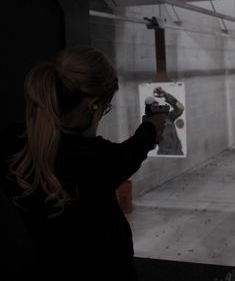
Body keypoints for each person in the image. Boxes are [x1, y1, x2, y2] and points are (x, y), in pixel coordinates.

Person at [0, 46, 166, 281]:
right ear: (93, 105)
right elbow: (131, 151)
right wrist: (152, 126)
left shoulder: (11, 144)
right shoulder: (93, 159)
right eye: (104, 107)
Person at [153, 86, 185, 156]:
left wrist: (166, 95)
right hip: (165, 156)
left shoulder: (169, 118)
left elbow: (181, 108)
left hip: (178, 153)